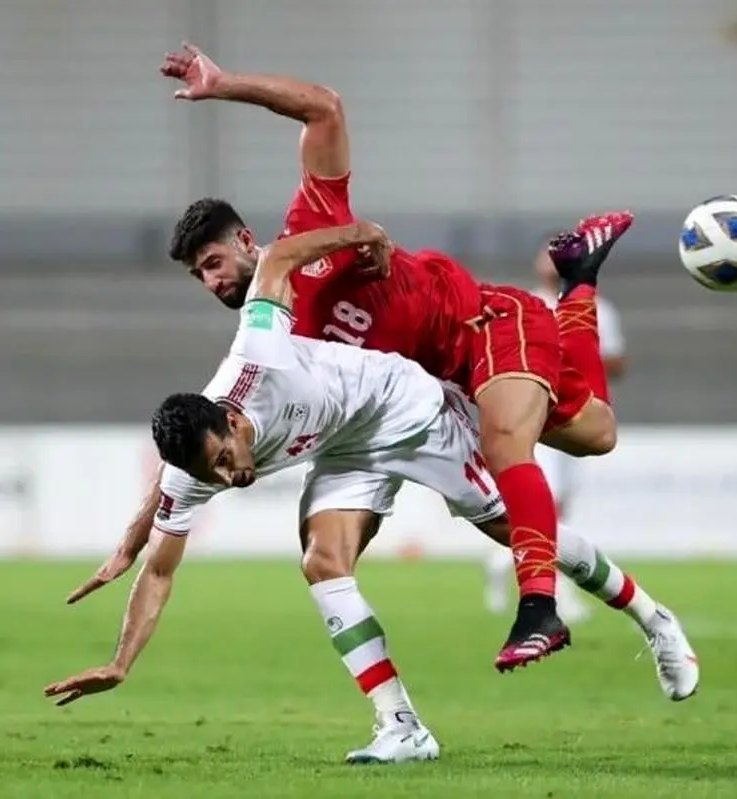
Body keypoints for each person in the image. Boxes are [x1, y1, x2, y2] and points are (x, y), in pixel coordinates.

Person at [46, 221, 699, 765]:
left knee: (519, 528)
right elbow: (161, 570)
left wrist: (364, 234)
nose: (229, 477)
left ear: (231, 421)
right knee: (321, 560)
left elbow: (276, 259)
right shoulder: (195, 462)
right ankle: (403, 726)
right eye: (212, 474)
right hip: (346, 447)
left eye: (226, 458)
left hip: (404, 407)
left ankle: (653, 617)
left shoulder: (259, 354)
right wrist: (120, 661)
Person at [157, 41, 630, 670]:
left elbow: (324, 109)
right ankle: (579, 282)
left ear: (247, 242)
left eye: (214, 263)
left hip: (480, 323)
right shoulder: (263, 345)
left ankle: (538, 609)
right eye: (199, 277)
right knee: (596, 433)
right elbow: (196, 436)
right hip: (436, 386)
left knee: (507, 447)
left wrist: (222, 86)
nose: (213, 282)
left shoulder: (309, 227)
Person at [485, 246, 628, 623]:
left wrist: (578, 353)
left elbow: (617, 361)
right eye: (545, 255)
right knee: (549, 504)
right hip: (537, 419)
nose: (550, 263)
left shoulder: (599, 310)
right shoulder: (526, 305)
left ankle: (502, 563)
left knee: (562, 503)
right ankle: (560, 593)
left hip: (579, 415)